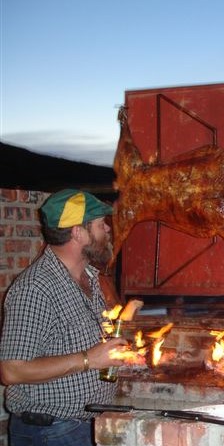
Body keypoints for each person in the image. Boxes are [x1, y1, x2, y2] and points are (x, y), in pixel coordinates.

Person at [0, 189, 128, 446]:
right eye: (100, 224)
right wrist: (88, 359)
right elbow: (11, 370)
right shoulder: (36, 288)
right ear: (77, 232)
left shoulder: (89, 278)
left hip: (83, 426)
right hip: (52, 432)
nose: (107, 229)